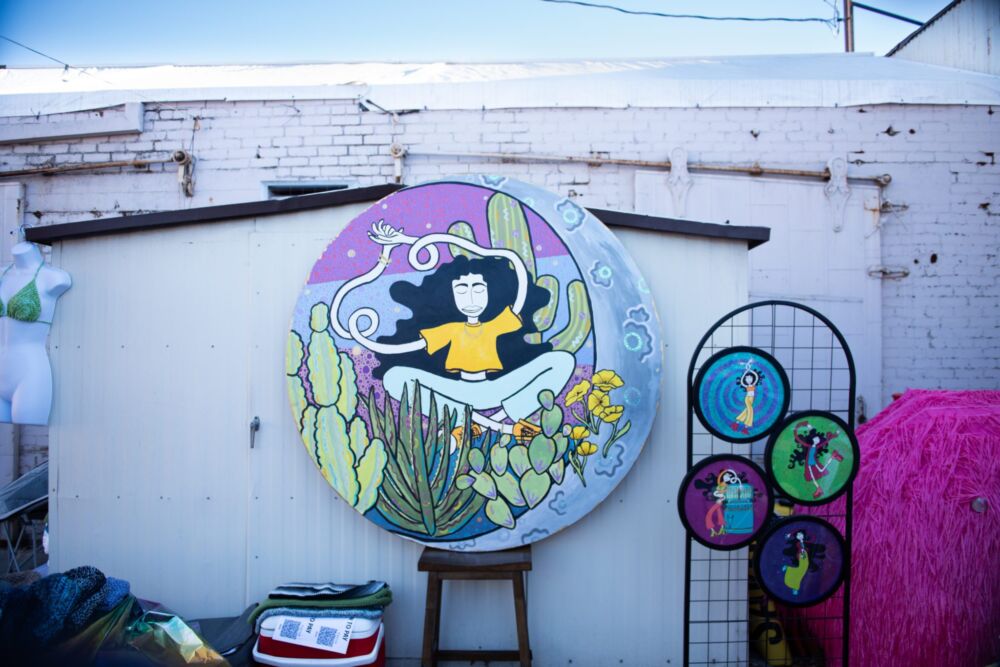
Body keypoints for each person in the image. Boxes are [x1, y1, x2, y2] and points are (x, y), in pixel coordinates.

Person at [331, 221, 574, 441]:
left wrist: (412, 241)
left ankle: (486, 423)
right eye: (462, 290)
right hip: (459, 390)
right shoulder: (449, 330)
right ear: (451, 294)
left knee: (562, 361)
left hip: (495, 388)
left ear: (489, 291)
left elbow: (516, 267)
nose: (471, 297)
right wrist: (393, 250)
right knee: (394, 378)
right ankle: (502, 428)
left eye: (478, 288)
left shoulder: (497, 323)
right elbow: (400, 348)